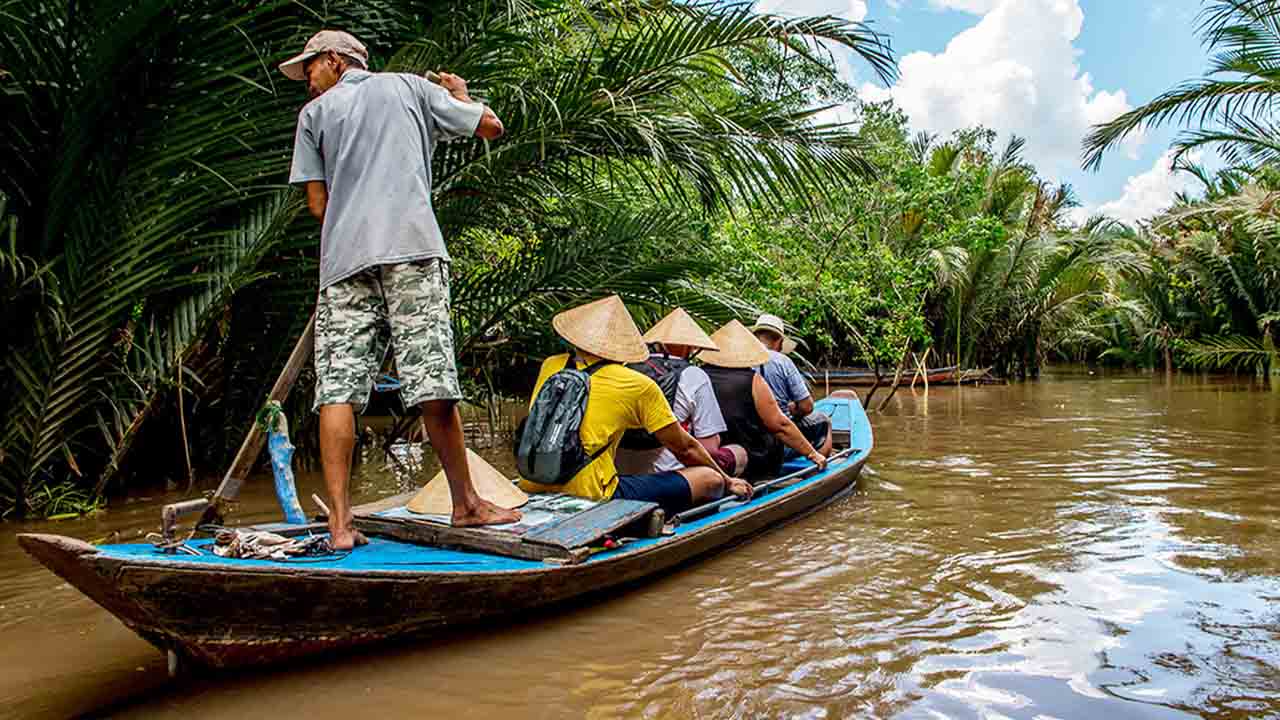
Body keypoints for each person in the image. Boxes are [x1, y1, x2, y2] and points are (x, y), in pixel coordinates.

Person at [281, 30, 517, 548]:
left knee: (337, 388)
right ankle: (467, 504)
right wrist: (458, 93)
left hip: (343, 262)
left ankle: (341, 525)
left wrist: (353, 225)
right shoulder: (409, 88)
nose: (307, 81)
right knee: (432, 375)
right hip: (410, 248)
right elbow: (489, 126)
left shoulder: (314, 118)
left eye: (310, 69)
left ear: (336, 61)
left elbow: (318, 207)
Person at [519, 296, 753, 515]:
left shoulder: (551, 366)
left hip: (532, 479)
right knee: (709, 478)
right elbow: (686, 449)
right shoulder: (636, 384)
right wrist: (728, 480)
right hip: (593, 494)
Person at [614, 308, 747, 477]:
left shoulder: (626, 367)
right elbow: (709, 449)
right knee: (739, 452)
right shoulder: (693, 375)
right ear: (689, 346)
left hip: (620, 474)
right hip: (669, 475)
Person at [702, 320, 828, 479]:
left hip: (718, 449)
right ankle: (817, 473)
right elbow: (780, 425)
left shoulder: (699, 374)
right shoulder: (751, 380)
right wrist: (812, 453)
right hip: (754, 456)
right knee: (822, 422)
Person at [750, 314, 833, 456]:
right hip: (778, 434)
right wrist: (794, 410)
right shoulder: (783, 361)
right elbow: (807, 406)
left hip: (748, 431)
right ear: (780, 342)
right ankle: (819, 463)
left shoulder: (740, 359)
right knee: (825, 421)